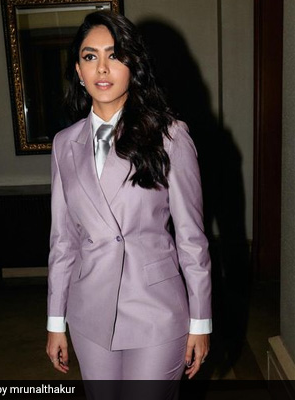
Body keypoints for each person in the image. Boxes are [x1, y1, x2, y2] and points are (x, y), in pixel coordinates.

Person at [45, 11, 211, 397]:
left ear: (133, 67)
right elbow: (63, 241)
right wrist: (55, 320)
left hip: (156, 309)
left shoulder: (169, 136)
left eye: (115, 55)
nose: (102, 68)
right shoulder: (64, 144)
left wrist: (201, 321)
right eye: (90, 56)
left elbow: (192, 238)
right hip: (89, 311)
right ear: (78, 70)